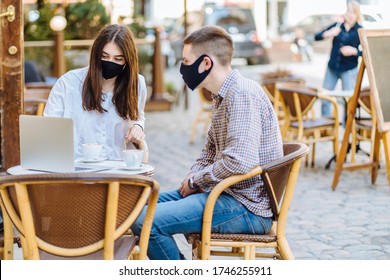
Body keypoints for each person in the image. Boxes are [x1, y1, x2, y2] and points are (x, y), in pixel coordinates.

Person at [132, 26, 283, 260]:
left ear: (205, 63)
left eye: (186, 61)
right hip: (222, 194)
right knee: (131, 207)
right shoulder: (222, 96)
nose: (183, 68)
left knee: (145, 221)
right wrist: (192, 178)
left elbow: (240, 161)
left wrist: (197, 180)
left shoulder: (242, 95)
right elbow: (209, 152)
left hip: (246, 207)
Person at [44, 24, 146, 160]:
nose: (110, 62)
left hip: (118, 168)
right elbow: (49, 127)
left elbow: (138, 116)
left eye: (118, 59)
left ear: (127, 61)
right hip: (76, 168)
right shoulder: (68, 83)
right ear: (96, 55)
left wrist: (138, 127)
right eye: (104, 56)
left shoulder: (137, 84)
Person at [314, 1, 363, 117]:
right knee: (325, 95)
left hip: (349, 69)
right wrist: (329, 33)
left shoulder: (360, 30)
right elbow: (317, 37)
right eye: (349, 11)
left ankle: (347, 127)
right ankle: (326, 124)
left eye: (354, 13)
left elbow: (368, 51)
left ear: (357, 15)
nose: (350, 15)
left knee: (348, 99)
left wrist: (354, 51)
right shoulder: (337, 26)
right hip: (333, 67)